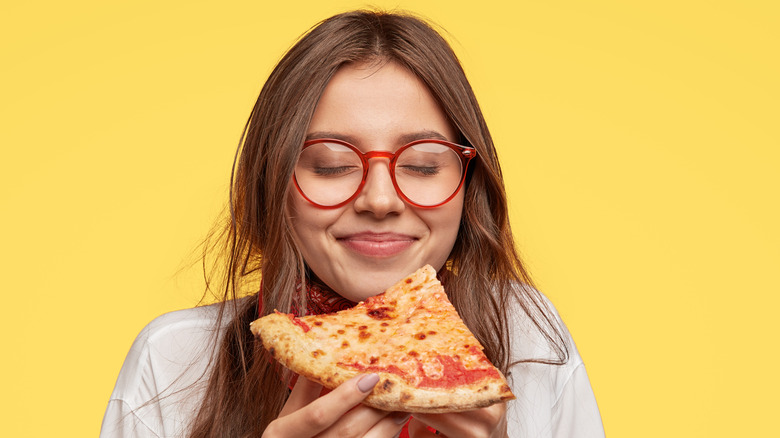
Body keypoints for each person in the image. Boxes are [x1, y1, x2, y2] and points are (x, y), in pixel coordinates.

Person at [101, 10, 604, 438]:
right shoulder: (173, 360)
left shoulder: (531, 338)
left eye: (424, 165)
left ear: (469, 185)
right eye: (330, 164)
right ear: (272, 182)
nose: (380, 199)